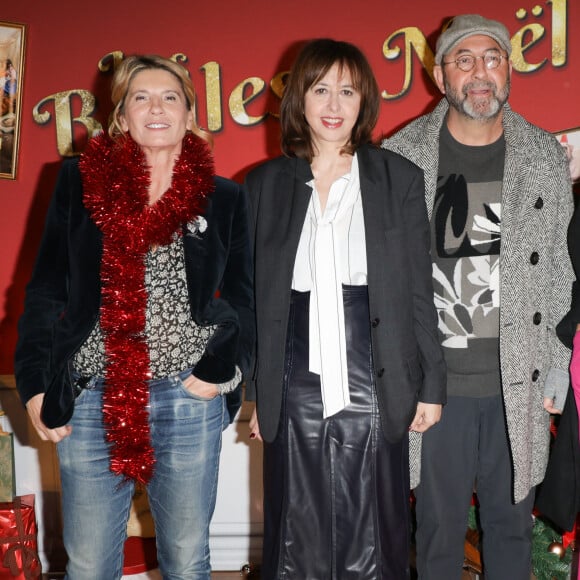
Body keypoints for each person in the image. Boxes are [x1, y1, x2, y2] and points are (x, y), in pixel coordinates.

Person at [14, 54, 254, 579]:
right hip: (92, 394)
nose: (157, 108)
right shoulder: (77, 182)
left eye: (171, 97)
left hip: (188, 397)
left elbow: (243, 298)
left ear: (190, 114)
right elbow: (46, 288)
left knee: (188, 560)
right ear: (121, 117)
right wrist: (34, 384)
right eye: (140, 97)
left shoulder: (226, 197)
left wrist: (219, 375)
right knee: (88, 563)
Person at [244, 38, 446, 580]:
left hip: (375, 366)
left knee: (376, 526)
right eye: (321, 89)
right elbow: (257, 297)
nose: (334, 104)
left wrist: (431, 382)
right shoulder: (264, 185)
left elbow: (417, 288)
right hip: (294, 371)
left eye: (348, 91)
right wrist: (259, 391)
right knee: (295, 526)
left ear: (364, 103)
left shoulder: (396, 178)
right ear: (300, 101)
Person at [382, 14, 574, 580]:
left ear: (509, 71)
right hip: (434, 386)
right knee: (438, 533)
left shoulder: (542, 154)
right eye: (463, 61)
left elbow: (562, 268)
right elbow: (385, 278)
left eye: (491, 58)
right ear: (441, 77)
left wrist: (557, 367)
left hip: (517, 382)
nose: (479, 73)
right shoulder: (400, 155)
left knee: (510, 530)